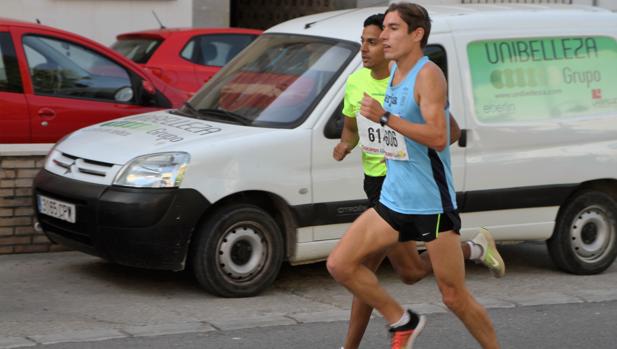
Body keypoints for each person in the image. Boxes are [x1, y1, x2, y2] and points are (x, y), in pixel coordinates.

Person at [327, 3, 501, 348]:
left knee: (453, 297)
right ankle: (402, 321)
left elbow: (438, 138)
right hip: (393, 196)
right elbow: (448, 130)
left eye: (393, 28)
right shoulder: (395, 73)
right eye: (384, 29)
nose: (385, 35)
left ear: (416, 34)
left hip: (430, 203)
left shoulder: (428, 74)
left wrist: (386, 118)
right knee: (341, 264)